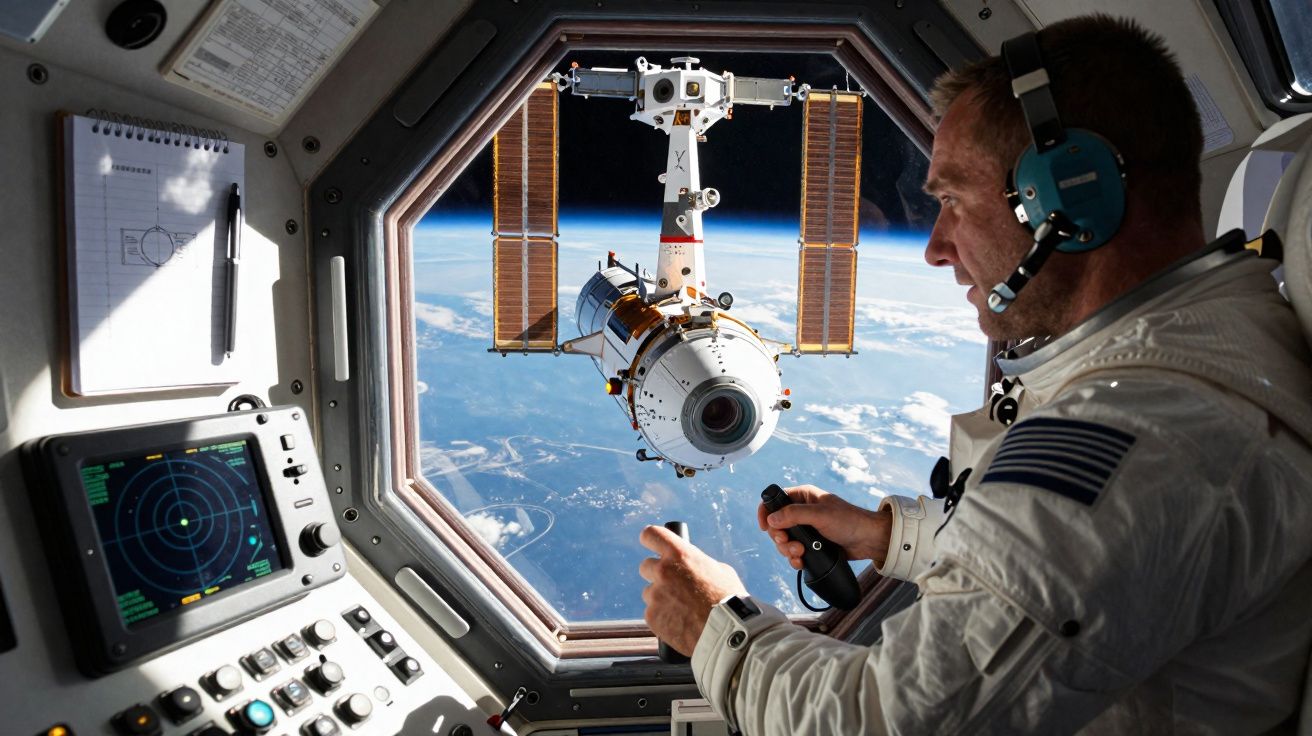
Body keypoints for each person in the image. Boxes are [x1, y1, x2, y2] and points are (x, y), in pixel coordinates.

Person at [638, 14, 1312, 734]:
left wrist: (716, 625)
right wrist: (886, 535)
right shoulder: (1183, 360)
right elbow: (1066, 573)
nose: (935, 247)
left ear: (1070, 199)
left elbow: (883, 721)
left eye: (954, 200)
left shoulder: (1144, 437)